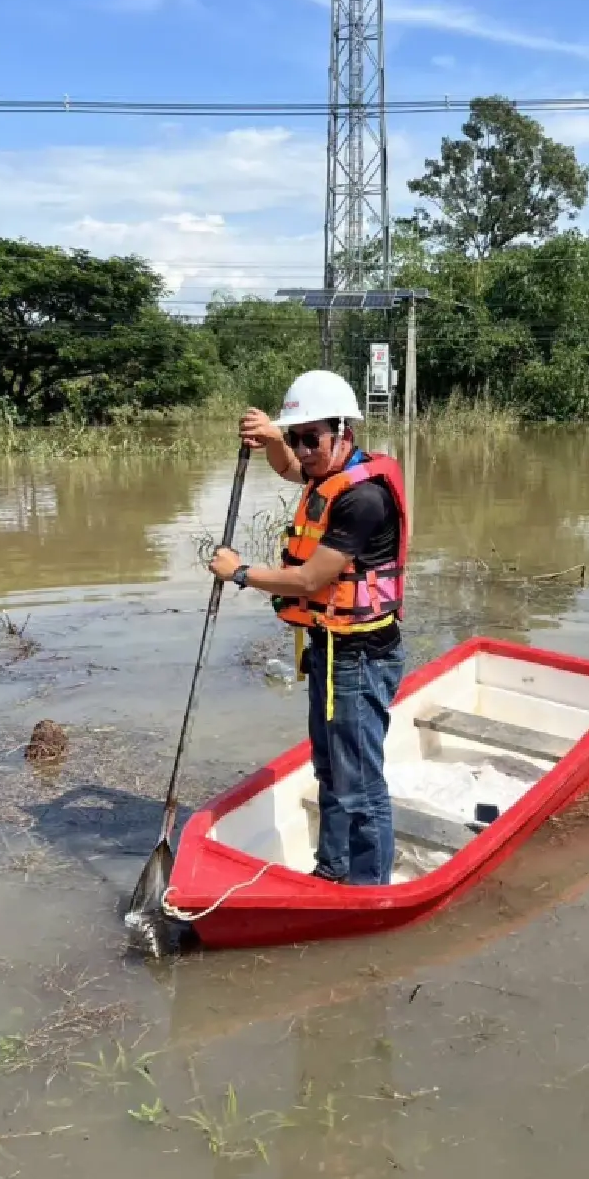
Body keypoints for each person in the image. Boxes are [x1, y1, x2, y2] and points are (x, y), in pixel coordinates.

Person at [208, 370, 407, 886]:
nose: (302, 450)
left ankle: (368, 887)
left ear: (343, 432)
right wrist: (274, 439)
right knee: (329, 769)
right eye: (294, 436)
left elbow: (311, 578)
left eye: (309, 438)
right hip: (330, 646)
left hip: (361, 655)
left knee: (359, 782)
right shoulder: (328, 471)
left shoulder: (363, 498)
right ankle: (332, 869)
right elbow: (290, 469)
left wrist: (241, 572)